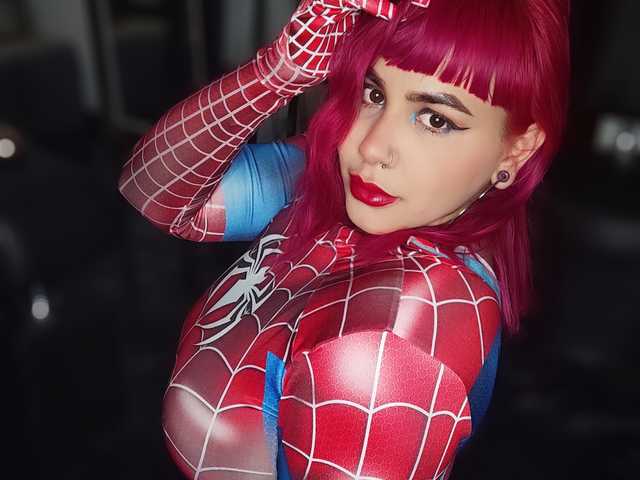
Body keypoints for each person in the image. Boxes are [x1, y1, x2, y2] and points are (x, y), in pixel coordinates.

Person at [118, 0, 570, 478]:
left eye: (435, 119)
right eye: (373, 94)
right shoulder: (338, 188)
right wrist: (278, 72)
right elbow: (152, 193)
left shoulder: (395, 339)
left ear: (517, 149)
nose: (370, 147)